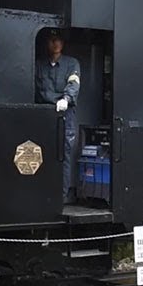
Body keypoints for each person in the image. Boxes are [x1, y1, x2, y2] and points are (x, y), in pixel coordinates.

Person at [35, 28, 81, 203]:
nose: (55, 43)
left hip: (64, 113)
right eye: (52, 40)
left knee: (64, 154)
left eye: (58, 40)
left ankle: (62, 196)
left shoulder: (72, 64)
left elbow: (73, 83)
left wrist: (66, 99)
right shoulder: (39, 64)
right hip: (43, 113)